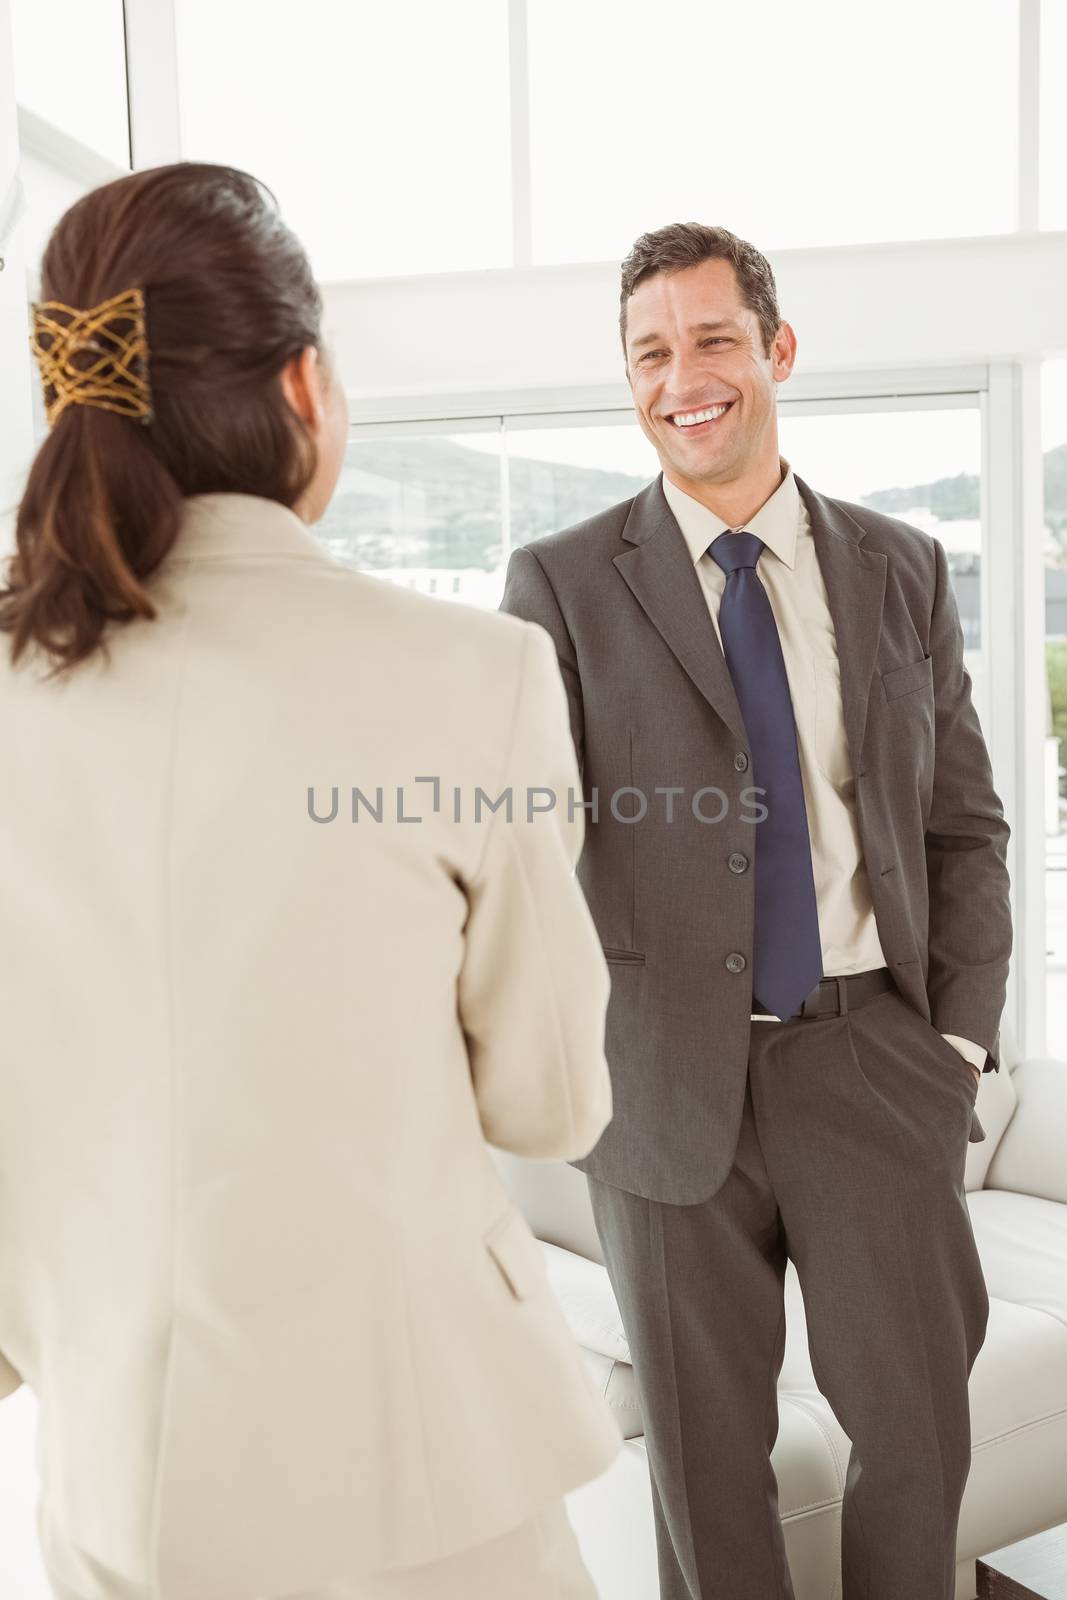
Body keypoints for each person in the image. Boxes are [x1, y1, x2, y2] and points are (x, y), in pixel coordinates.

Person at [0, 162, 622, 1600]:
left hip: (120, 1489)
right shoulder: (475, 675)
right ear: (303, 387)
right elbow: (553, 1099)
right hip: (422, 1478)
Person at [499, 221, 1012, 1600]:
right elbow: (525, 844)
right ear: (630, 380)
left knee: (917, 1434)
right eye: (651, 354)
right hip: (661, 1089)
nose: (686, 379)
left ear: (777, 351)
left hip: (870, 1058)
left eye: (714, 340)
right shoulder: (557, 582)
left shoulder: (902, 568)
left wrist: (953, 1045)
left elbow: (964, 824)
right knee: (704, 1470)